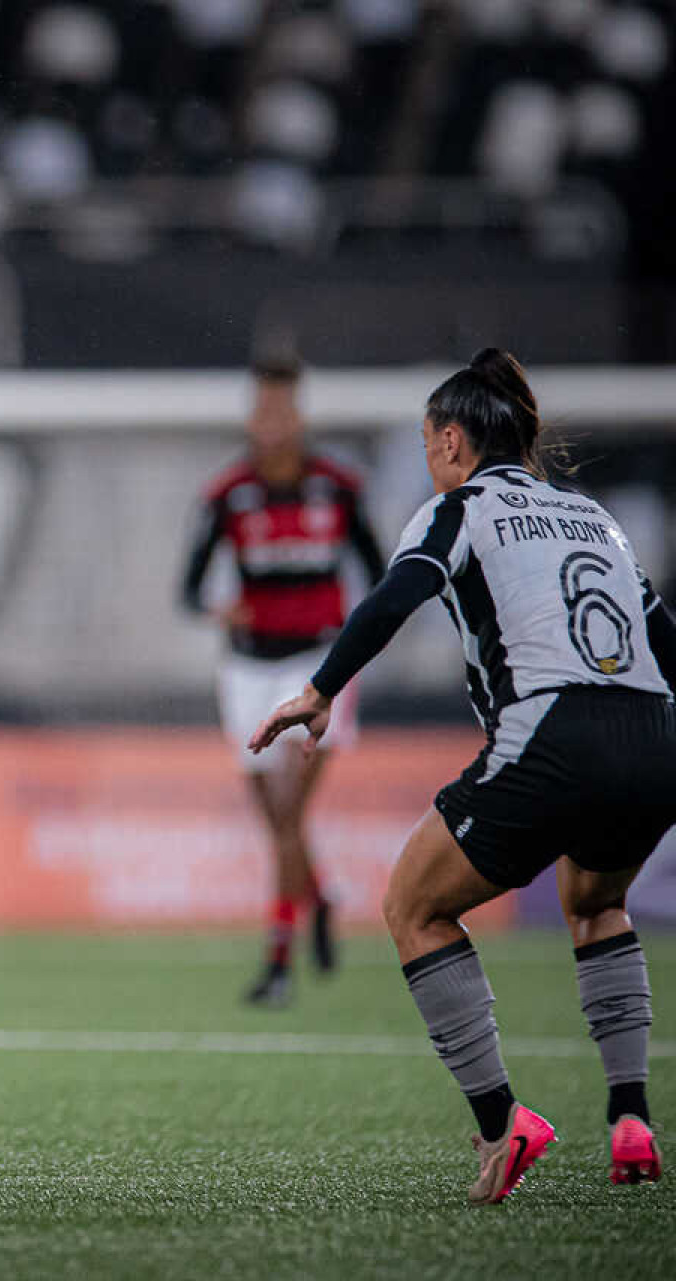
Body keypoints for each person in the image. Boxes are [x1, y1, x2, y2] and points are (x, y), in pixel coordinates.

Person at [251, 349, 673, 1204]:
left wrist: (321, 688)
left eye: (426, 441)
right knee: (596, 902)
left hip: (556, 730)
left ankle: (501, 1122)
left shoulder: (461, 508)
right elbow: (664, 636)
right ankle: (631, 1117)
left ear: (451, 440)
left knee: (413, 904)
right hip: (656, 735)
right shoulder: (593, 516)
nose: (428, 457)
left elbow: (395, 595)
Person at [182, 357, 387, 1006]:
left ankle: (277, 962)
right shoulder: (228, 494)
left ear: (299, 416)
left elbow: (382, 572)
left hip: (316, 668)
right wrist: (219, 609)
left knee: (290, 810)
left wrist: (353, 634)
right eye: (263, 411)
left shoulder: (338, 488)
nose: (272, 423)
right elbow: (188, 588)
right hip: (247, 667)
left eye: (283, 410)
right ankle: (319, 898)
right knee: (277, 818)